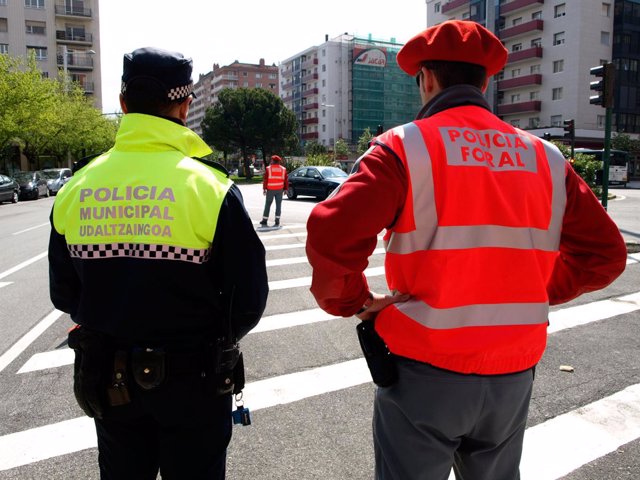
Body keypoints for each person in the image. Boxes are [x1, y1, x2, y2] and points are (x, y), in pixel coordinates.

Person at [306, 20, 627, 480]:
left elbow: (331, 236)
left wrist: (355, 302)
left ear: (428, 79)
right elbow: (606, 255)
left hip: (424, 369)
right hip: (514, 369)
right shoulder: (547, 158)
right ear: (487, 81)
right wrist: (531, 289)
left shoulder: (402, 147)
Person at [48, 47, 268, 480]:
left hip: (109, 381)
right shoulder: (211, 187)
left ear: (124, 104)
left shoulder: (76, 188)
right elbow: (249, 298)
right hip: (195, 380)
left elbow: (65, 294)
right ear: (185, 105)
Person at [260, 154, 288, 227]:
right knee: (278, 205)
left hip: (270, 190)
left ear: (273, 161)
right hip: (280, 190)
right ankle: (277, 221)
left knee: (267, 205)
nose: (271, 161)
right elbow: (286, 180)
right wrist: (286, 189)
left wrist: (264, 189)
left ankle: (264, 220)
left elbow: (265, 180)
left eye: (271, 160)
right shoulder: (283, 169)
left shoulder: (268, 168)